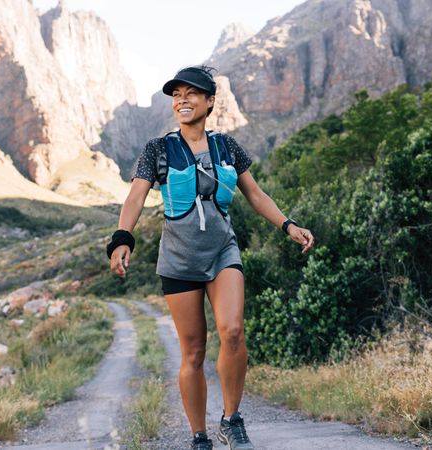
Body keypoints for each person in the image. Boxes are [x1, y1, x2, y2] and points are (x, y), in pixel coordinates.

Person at [107, 66, 314, 450]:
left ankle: (232, 420)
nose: (182, 100)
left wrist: (288, 225)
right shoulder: (157, 149)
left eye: (191, 93)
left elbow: (255, 194)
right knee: (194, 352)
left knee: (233, 332)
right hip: (179, 261)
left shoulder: (228, 147)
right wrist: (123, 239)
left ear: (210, 101)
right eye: (176, 95)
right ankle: (199, 436)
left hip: (222, 252)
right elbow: (135, 197)